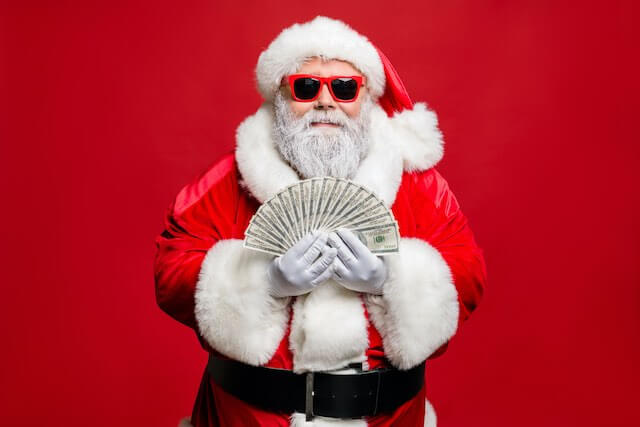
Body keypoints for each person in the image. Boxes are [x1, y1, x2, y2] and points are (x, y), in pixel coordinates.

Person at [154, 16, 486, 427]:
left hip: (388, 418)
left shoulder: (419, 186)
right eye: (306, 87)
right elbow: (170, 270)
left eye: (344, 88)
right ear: (280, 95)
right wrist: (263, 281)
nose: (325, 102)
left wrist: (390, 279)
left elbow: (468, 272)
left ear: (365, 98)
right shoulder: (228, 179)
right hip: (250, 417)